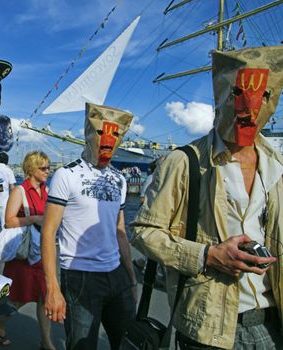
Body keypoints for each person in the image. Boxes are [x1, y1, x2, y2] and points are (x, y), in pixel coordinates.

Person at [131, 46, 283, 350]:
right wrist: (207, 255)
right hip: (208, 328)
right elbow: (142, 231)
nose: (249, 108)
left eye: (263, 96)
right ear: (221, 96)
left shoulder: (277, 166)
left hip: (272, 324)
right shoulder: (184, 162)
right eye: (238, 93)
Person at [42, 103, 137, 350]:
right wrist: (53, 288)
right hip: (80, 276)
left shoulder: (120, 179)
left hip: (117, 274)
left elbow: (120, 231)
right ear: (88, 133)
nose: (108, 140)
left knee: (129, 343)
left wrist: (131, 277)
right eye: (101, 133)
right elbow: (49, 231)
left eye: (116, 134)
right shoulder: (66, 175)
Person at [0, 151, 55, 349]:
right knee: (17, 298)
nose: (47, 171)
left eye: (48, 167)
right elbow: (9, 222)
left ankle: (46, 342)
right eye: (43, 168)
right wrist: (34, 219)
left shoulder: (46, 190)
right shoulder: (20, 191)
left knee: (45, 297)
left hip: (41, 251)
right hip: (23, 254)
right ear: (31, 169)